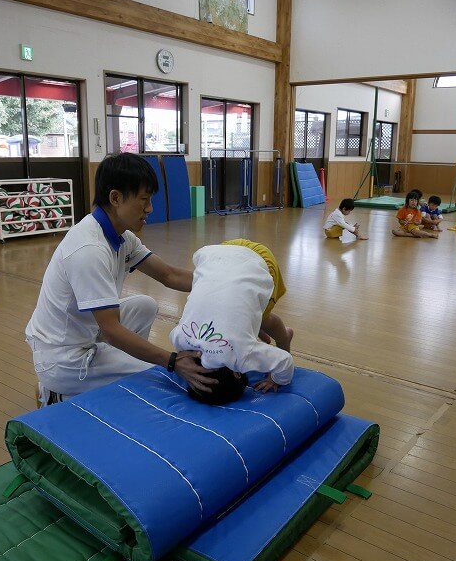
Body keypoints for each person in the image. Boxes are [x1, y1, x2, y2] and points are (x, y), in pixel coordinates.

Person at [25, 153, 217, 407]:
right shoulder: (89, 249)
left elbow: (169, 275)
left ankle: (107, 373)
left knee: (146, 305)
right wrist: (172, 361)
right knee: (157, 376)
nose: (150, 208)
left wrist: (221, 284)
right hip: (63, 358)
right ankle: (58, 393)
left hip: (84, 333)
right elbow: (112, 331)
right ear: (116, 198)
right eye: (144, 200)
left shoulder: (120, 235)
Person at [170, 239, 295, 396]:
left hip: (259, 261)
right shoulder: (180, 339)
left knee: (263, 318)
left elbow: (285, 362)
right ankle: (254, 329)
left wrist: (276, 379)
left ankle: (285, 339)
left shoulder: (241, 356)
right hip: (218, 253)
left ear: (237, 373)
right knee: (245, 312)